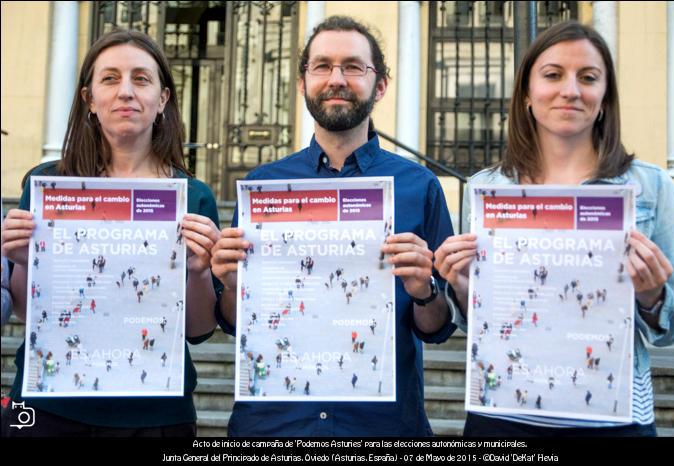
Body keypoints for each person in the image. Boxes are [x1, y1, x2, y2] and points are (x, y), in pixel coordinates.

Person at [434, 21, 674, 437]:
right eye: (552, 75)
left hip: (614, 418)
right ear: (527, 96)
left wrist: (651, 295)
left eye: (588, 78)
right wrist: (461, 285)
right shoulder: (487, 189)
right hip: (503, 413)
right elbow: (477, 321)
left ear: (605, 99)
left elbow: (673, 328)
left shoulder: (650, 187)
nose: (570, 90)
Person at [210, 16, 457, 437]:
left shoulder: (420, 186)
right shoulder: (263, 188)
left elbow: (438, 327)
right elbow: (234, 323)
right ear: (303, 82)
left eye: (353, 67)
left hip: (381, 427)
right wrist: (232, 284)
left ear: (380, 85)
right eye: (322, 66)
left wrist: (424, 291)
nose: (336, 79)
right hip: (274, 426)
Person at [0, 29, 222, 437]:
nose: (125, 91)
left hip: (157, 414)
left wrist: (199, 272)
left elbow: (197, 331)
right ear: (89, 99)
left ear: (163, 100)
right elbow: (25, 312)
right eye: (110, 78)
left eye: (141, 79)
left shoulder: (193, 197)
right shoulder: (46, 185)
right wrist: (19, 259)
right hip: (44, 405)